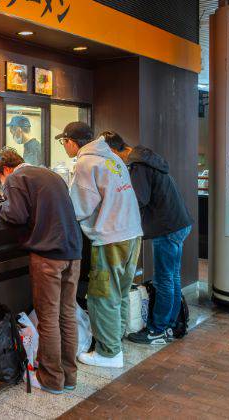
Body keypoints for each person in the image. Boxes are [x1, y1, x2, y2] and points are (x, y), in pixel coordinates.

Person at [0, 147, 82, 394]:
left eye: (0, 178)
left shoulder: (17, 178)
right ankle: (69, 377)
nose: (2, 183)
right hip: (72, 252)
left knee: (48, 317)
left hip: (48, 255)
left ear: (4, 170)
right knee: (67, 315)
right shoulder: (48, 173)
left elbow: (15, 215)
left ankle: (51, 379)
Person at [56, 122, 142, 368]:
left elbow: (80, 207)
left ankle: (109, 353)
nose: (65, 147)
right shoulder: (111, 158)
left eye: (64, 142)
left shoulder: (86, 163)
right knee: (121, 291)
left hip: (111, 236)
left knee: (102, 295)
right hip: (131, 232)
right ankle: (117, 340)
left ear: (72, 142)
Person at [101, 131, 193, 345]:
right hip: (179, 223)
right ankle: (169, 325)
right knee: (172, 277)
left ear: (114, 151)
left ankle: (158, 330)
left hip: (167, 227)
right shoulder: (144, 158)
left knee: (164, 279)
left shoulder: (138, 166)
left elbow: (138, 200)